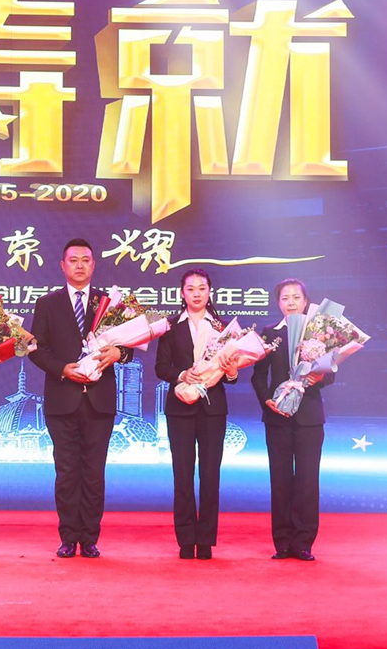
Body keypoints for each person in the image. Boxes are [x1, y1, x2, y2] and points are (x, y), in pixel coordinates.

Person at [29, 238, 133, 559]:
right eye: (73, 260)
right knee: (66, 472)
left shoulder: (110, 304)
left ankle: (89, 538)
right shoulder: (47, 304)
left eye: (85, 260)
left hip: (99, 401)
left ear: (94, 265)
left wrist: (119, 353)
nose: (79, 265)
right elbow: (36, 350)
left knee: (94, 473)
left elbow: (129, 346)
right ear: (63, 265)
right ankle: (67, 537)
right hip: (62, 400)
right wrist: (62, 369)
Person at [154, 269, 238, 561]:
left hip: (213, 409)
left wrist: (231, 371)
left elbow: (232, 377)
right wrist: (182, 375)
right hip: (180, 408)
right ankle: (185, 539)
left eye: (202, 288)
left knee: (210, 475)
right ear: (182, 293)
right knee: (182, 475)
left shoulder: (223, 328)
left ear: (210, 292)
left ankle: (205, 540)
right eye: (191, 289)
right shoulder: (170, 327)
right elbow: (160, 367)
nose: (197, 293)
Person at [251, 278, 334, 562]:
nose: (291, 302)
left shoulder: (318, 334)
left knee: (308, 481)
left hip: (310, 418)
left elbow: (330, 374)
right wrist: (267, 400)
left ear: (306, 301)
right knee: (281, 480)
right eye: (285, 298)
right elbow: (258, 376)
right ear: (278, 303)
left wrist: (318, 378)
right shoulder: (269, 333)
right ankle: (283, 541)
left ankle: (303, 542)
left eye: (296, 297)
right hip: (278, 417)